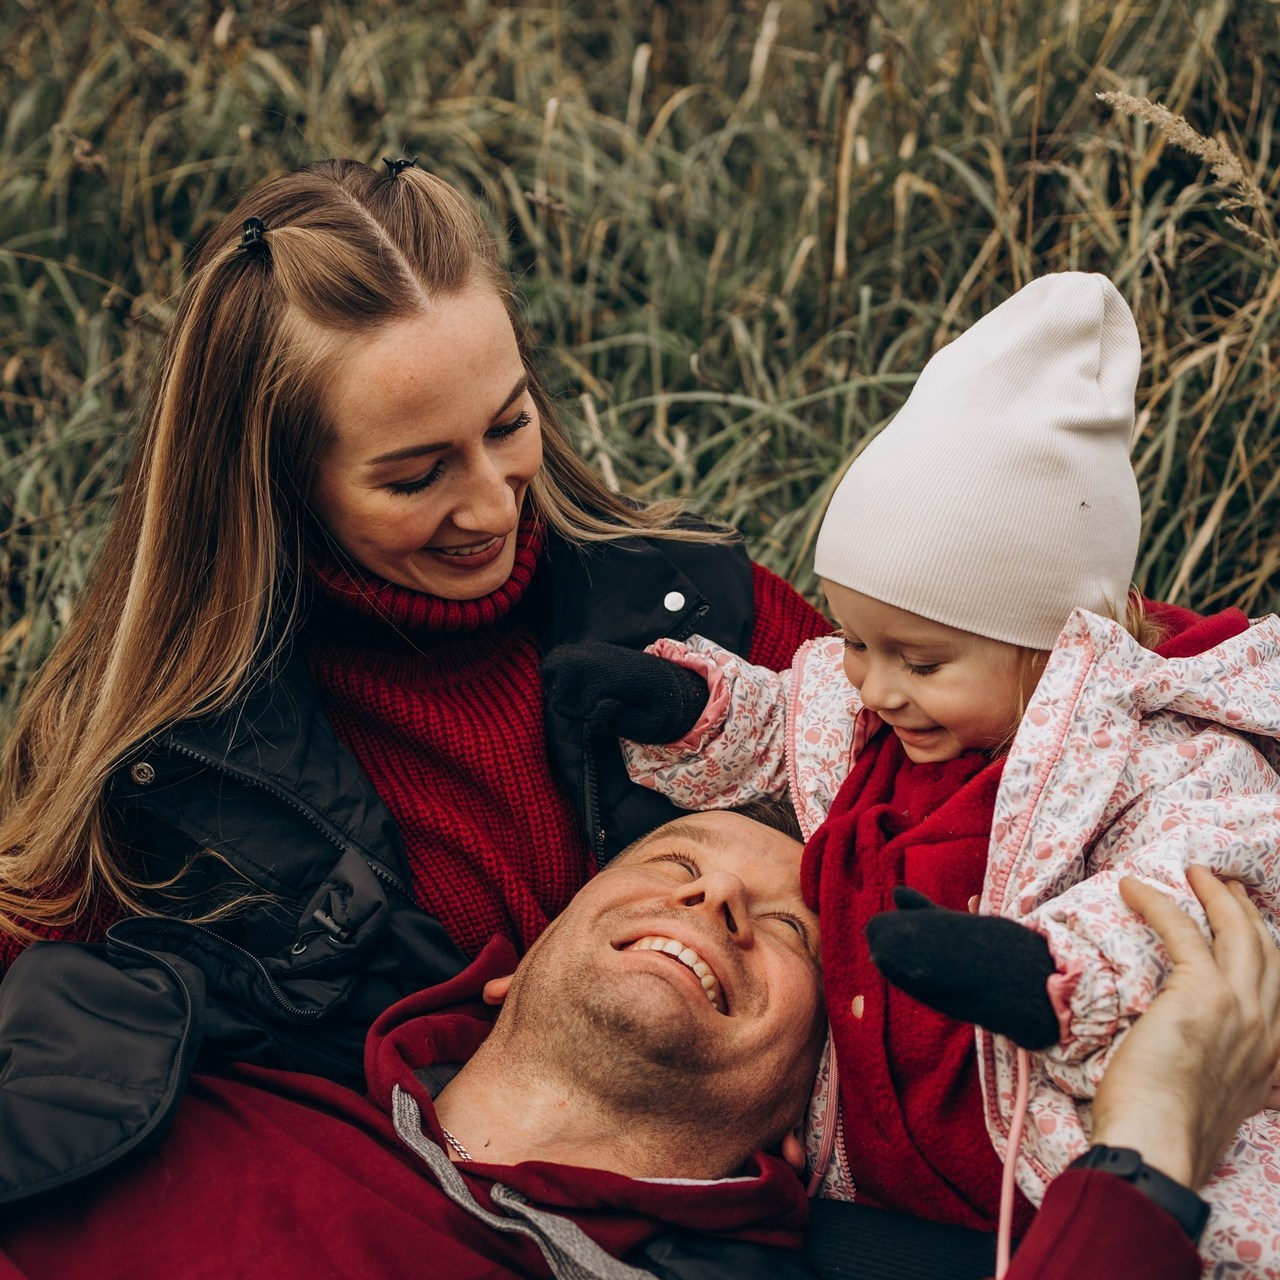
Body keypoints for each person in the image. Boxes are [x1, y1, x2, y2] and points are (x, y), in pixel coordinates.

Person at [0, 158, 827, 1083]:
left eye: (508, 426)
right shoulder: (171, 770)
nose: (493, 507)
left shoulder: (698, 604)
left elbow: (944, 815)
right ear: (275, 481)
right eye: (415, 476)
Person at [543, 273, 1280, 1269]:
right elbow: (782, 718)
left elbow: (1191, 898)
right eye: (853, 639)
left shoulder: (1164, 757)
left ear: (1057, 642)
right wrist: (686, 712)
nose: (876, 687)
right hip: (873, 1178)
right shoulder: (878, 710)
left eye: (921, 660)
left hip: (1059, 1160)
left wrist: (1051, 975)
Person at [2, 815, 1276, 1280]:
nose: (715, 903)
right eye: (670, 865)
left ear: (800, 1116)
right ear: (508, 964)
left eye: (786, 930)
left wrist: (1151, 1138)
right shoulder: (189, 1055)